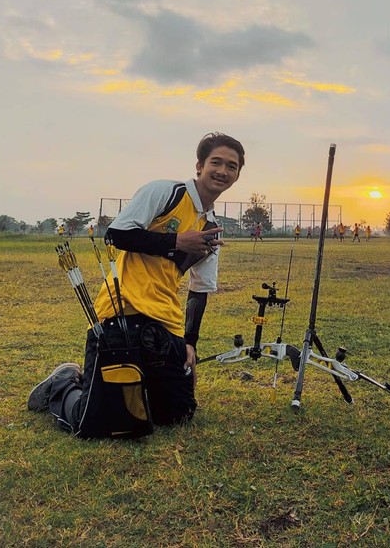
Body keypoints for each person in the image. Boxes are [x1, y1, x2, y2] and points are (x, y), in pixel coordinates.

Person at [27, 132, 245, 438]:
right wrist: (176, 241)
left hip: (165, 324)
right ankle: (61, 385)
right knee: (96, 425)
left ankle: (141, 385)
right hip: (123, 313)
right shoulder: (166, 192)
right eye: (216, 162)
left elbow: (200, 290)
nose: (223, 171)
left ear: (237, 175)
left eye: (231, 166)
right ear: (199, 165)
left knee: (178, 413)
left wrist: (189, 342)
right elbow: (117, 235)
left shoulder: (211, 228)